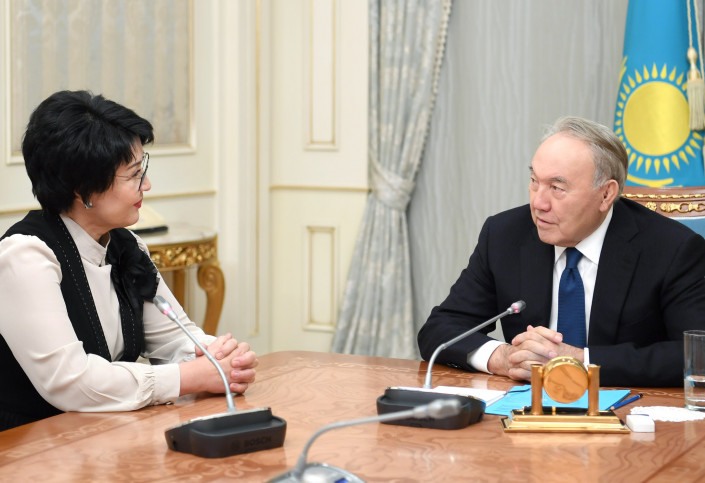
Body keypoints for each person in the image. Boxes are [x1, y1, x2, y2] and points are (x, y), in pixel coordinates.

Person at [0, 90, 258, 431]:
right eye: (134, 174)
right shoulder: (24, 257)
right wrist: (189, 377)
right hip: (28, 445)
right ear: (82, 188)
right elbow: (71, 382)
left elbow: (174, 338)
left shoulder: (126, 245)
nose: (146, 184)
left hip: (103, 436)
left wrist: (221, 357)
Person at [417, 116, 705, 387]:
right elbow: (440, 328)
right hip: (524, 407)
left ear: (606, 194)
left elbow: (697, 353)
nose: (538, 203)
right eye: (534, 181)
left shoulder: (672, 249)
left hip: (628, 410)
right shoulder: (505, 235)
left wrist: (580, 361)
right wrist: (503, 357)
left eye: (556, 188)